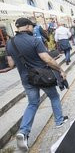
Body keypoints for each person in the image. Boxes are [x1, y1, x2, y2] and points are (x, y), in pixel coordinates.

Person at [5, 18, 68, 152]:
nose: (33, 28)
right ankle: (59, 121)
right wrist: (61, 70)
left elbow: (11, 64)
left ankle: (23, 131)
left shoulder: (9, 43)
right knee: (54, 97)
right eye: (32, 26)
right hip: (42, 77)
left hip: (26, 79)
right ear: (27, 26)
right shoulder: (34, 40)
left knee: (32, 103)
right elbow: (47, 59)